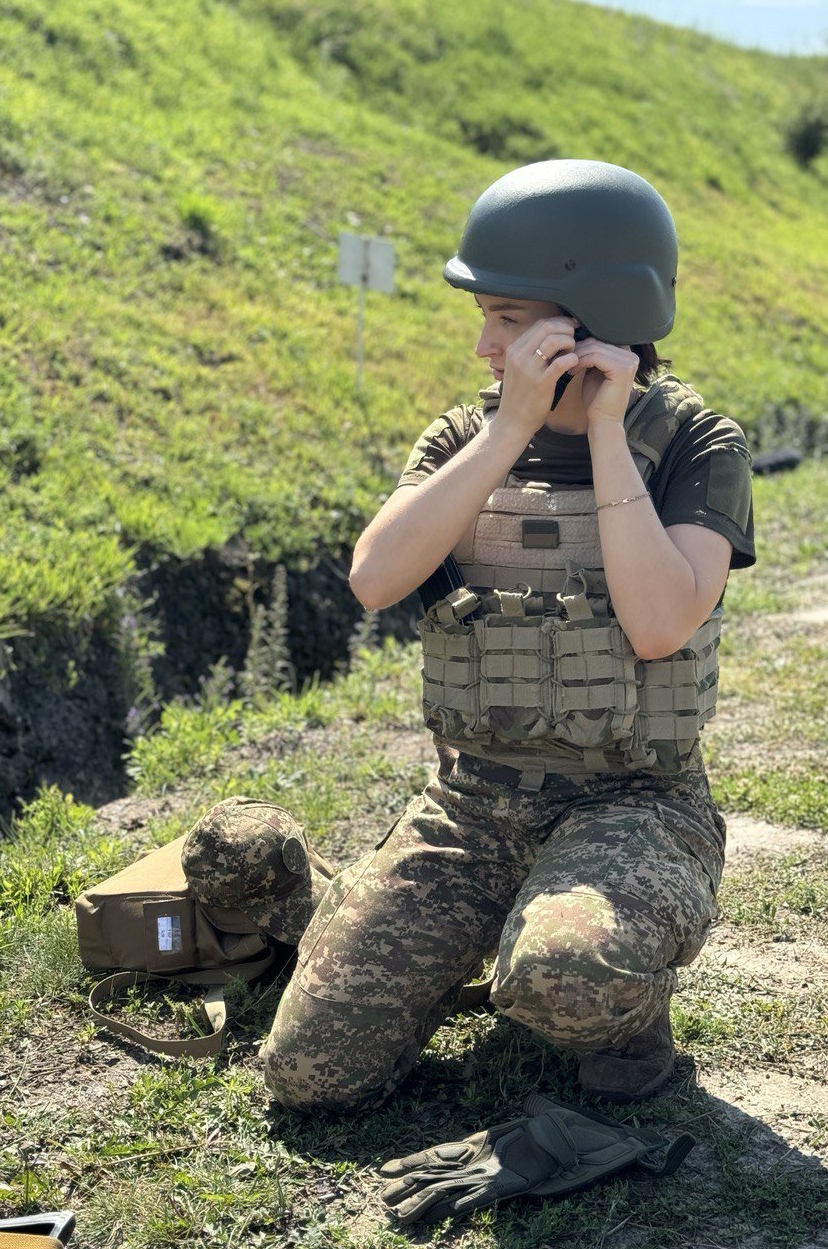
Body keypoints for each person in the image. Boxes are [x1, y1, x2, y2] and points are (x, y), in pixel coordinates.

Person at [260, 159, 755, 1111]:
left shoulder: (697, 444)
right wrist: (508, 433)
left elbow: (659, 624)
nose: (485, 346)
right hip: (469, 806)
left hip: (636, 805)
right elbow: (375, 579)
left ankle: (613, 995)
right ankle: (433, 916)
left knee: (568, 976)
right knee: (311, 1074)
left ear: (593, 320)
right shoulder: (463, 436)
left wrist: (605, 432)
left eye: (508, 319)